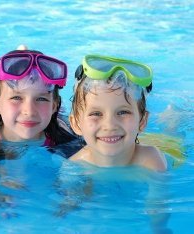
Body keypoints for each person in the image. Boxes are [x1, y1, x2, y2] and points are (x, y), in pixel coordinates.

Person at [62, 54, 170, 232]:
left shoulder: (151, 160)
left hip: (167, 148)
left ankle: (171, 122)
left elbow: (158, 213)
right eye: (96, 114)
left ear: (142, 121)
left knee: (173, 137)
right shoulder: (74, 167)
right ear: (75, 124)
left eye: (122, 112)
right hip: (130, 139)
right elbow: (67, 210)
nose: (110, 125)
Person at [0, 49, 83, 158]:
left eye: (41, 99)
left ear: (53, 106)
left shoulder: (64, 136)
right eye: (16, 97)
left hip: (54, 117)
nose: (29, 111)